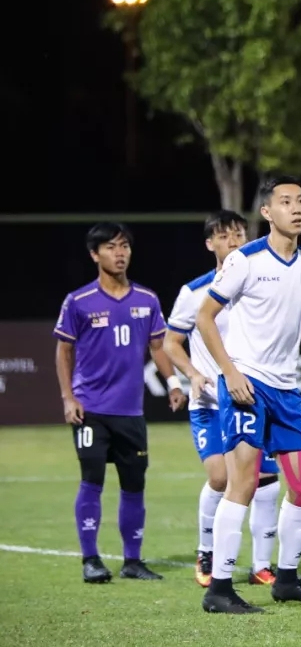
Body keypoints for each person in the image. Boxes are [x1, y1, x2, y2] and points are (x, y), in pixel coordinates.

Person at [195, 175, 301, 614]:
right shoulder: (245, 260)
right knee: (242, 483)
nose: (296, 209)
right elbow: (205, 318)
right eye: (286, 202)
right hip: (247, 385)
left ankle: (287, 580)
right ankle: (219, 588)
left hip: (286, 390)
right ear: (267, 212)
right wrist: (230, 372)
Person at [54, 221, 187, 583]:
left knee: (133, 484)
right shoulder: (78, 301)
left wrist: (173, 383)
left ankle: (132, 561)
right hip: (90, 410)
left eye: (124, 246)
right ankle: (91, 559)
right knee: (92, 480)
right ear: (94, 255)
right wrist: (68, 397)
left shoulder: (147, 299)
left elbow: (158, 347)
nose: (120, 253)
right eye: (111, 247)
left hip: (131, 412)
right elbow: (63, 351)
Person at [162, 211, 282, 588]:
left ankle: (261, 565)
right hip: (211, 404)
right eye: (224, 235)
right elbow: (170, 343)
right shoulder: (195, 292)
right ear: (209, 243)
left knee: (266, 479)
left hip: (253, 398)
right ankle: (206, 552)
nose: (233, 240)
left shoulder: (260, 286)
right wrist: (193, 374)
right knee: (220, 477)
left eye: (239, 234)